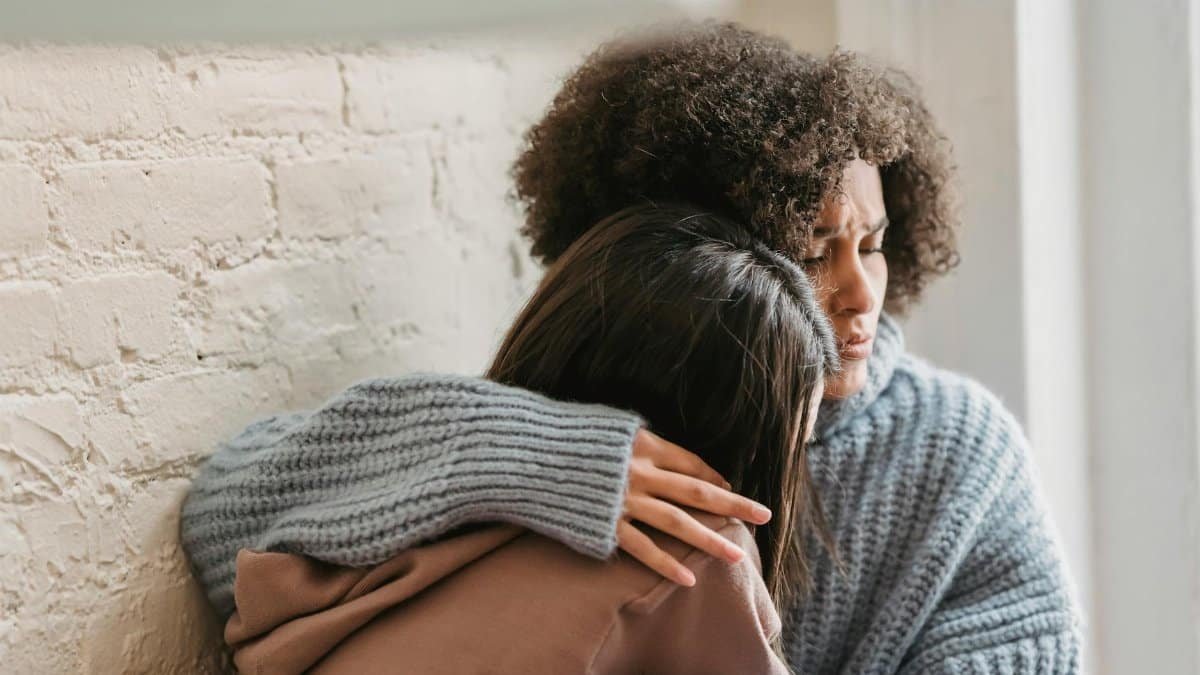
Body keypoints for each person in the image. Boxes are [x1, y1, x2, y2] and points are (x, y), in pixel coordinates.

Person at [181, 20, 1084, 673]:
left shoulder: (960, 451)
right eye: (811, 252)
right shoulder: (581, 411)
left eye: (875, 242)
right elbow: (223, 524)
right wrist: (539, 456)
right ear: (702, 252)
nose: (859, 292)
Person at [213, 204, 836, 674]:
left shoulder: (421, 517)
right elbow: (214, 512)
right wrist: (567, 458)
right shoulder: (696, 549)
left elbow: (217, 523)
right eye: (791, 444)